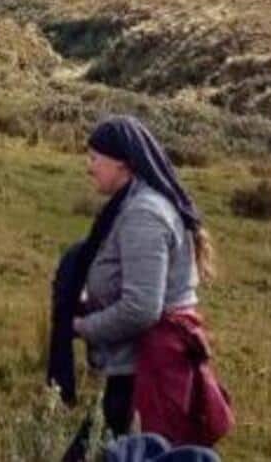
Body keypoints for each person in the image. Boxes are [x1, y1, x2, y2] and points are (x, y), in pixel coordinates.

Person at [71, 116, 220, 441]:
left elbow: (141, 307)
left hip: (145, 375)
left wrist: (83, 327)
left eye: (95, 158)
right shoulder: (131, 205)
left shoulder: (143, 215)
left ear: (122, 163)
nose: (88, 166)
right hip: (138, 369)